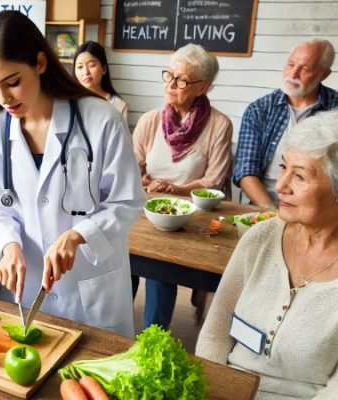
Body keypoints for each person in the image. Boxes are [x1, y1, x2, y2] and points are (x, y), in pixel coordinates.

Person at [0, 11, 145, 337]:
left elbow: (127, 201)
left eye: (12, 82)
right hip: (29, 289)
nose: (3, 98)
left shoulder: (101, 120)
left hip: (91, 289)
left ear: (40, 62)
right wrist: (8, 245)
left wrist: (79, 235)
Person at [196, 110, 338, 400]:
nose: (281, 186)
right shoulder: (261, 237)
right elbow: (214, 333)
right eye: (284, 168)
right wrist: (212, 390)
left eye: (299, 176)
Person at [132, 43, 232, 330]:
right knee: (124, 262)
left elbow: (214, 180)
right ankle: (116, 329)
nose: (171, 84)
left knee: (160, 269)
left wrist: (177, 190)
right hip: (147, 209)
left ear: (203, 87)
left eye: (182, 79)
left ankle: (153, 336)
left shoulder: (219, 125)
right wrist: (151, 183)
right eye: (169, 75)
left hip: (191, 216)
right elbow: (132, 169)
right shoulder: (151, 120)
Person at [234, 39, 338, 208]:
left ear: (324, 74)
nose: (293, 74)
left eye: (305, 68)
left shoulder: (334, 111)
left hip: (317, 208)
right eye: (290, 65)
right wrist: (272, 212)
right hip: (264, 206)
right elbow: (246, 170)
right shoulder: (259, 109)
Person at [73, 41, 128, 120]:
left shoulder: (118, 105)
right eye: (80, 67)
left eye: (92, 65)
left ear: (104, 69)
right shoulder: (70, 101)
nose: (86, 72)